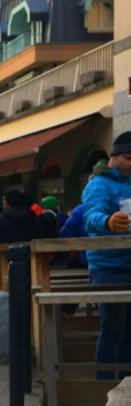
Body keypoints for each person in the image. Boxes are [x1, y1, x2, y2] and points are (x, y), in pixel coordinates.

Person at [81, 132, 131, 379]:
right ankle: (103, 387)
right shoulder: (98, 184)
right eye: (128, 158)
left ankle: (125, 387)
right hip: (108, 265)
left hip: (128, 262)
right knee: (113, 328)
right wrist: (108, 222)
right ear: (114, 157)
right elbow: (90, 217)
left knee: (129, 330)